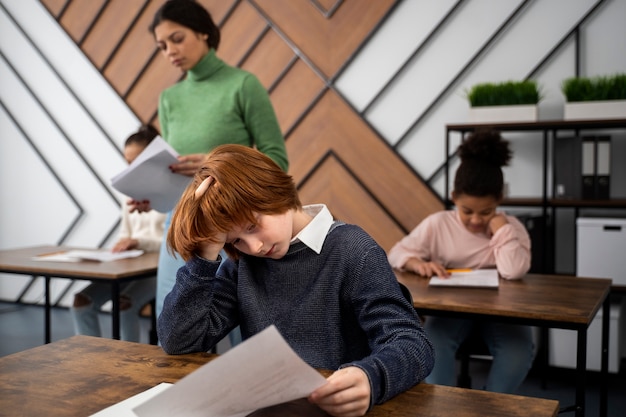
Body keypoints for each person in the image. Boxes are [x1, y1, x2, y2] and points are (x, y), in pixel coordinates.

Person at [158, 144, 434, 417]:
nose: (253, 247)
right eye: (236, 240)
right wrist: (205, 254)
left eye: (253, 226)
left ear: (276, 192)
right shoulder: (242, 265)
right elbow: (179, 341)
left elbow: (411, 343)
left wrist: (371, 378)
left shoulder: (353, 250)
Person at [141, 0, 289, 332]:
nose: (170, 51)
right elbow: (177, 172)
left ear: (204, 32)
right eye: (162, 46)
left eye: (177, 39)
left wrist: (215, 164)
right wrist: (150, 193)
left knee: (244, 324)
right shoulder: (170, 98)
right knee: (174, 322)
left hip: (236, 223)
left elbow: (277, 160)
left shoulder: (243, 85)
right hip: (180, 219)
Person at [387, 129, 534, 394]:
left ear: (499, 201)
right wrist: (416, 263)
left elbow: (513, 271)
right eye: (467, 211)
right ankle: (447, 408)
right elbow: (396, 253)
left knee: (518, 351)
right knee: (432, 343)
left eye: (486, 212)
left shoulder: (512, 228)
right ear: (454, 198)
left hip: (503, 315)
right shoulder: (438, 224)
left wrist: (500, 229)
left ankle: (489, 408)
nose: (476, 220)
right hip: (451, 313)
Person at [71, 125, 166, 342]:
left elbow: (177, 243)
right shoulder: (128, 191)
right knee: (81, 301)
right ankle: (91, 365)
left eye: (137, 161)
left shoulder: (173, 189)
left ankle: (127, 365)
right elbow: (126, 232)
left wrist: (138, 241)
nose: (131, 167)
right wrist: (122, 244)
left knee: (124, 304)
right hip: (132, 265)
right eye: (128, 162)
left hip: (160, 266)